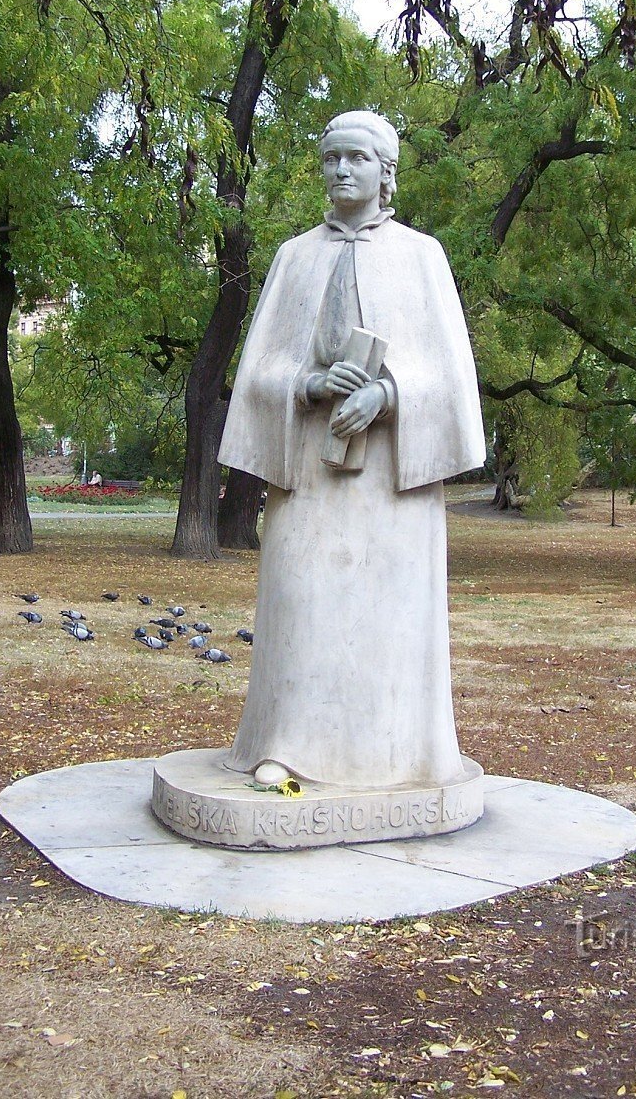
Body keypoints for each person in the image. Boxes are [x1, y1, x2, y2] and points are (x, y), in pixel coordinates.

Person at [218, 110, 485, 791]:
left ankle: (398, 753)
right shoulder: (294, 258)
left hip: (392, 487)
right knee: (303, 608)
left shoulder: (422, 257)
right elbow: (256, 376)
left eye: (358, 158)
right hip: (309, 475)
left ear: (385, 172)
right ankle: (287, 745)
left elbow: (452, 380)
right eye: (332, 157)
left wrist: (389, 397)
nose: (342, 170)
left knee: (386, 621)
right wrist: (307, 384)